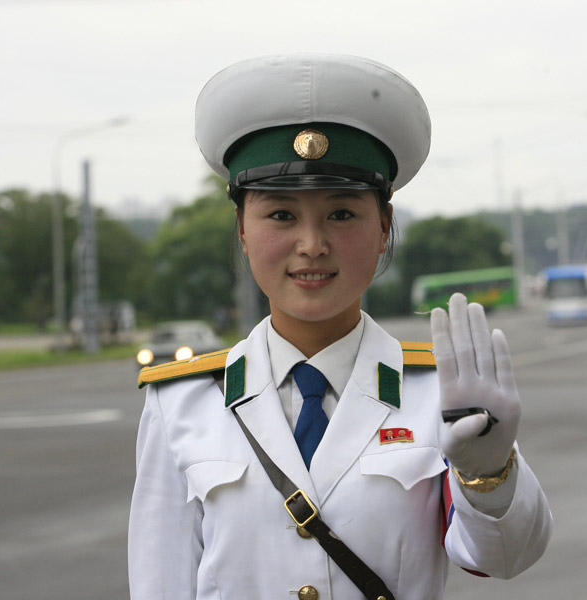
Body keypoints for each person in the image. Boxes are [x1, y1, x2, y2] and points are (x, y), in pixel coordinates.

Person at [128, 54, 552, 600]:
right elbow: (159, 584)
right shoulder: (182, 402)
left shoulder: (440, 395)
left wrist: (488, 474)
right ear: (241, 228)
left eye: (342, 214)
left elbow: (507, 557)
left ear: (383, 228)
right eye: (281, 215)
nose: (311, 245)